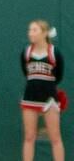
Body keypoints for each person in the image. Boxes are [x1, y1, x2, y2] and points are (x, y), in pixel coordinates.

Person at [21, 19, 64, 161]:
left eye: (34, 30)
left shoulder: (54, 52)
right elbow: (26, 73)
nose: (30, 33)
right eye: (29, 30)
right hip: (30, 96)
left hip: (49, 97)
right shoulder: (26, 52)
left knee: (55, 137)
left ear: (44, 33)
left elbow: (59, 75)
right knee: (29, 136)